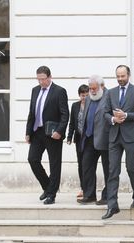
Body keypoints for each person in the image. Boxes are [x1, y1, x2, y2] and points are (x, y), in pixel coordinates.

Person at [102, 65, 134, 219]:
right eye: (118, 76)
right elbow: (105, 112)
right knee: (113, 170)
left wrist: (125, 115)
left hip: (131, 136)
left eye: (122, 76)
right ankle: (112, 205)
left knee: (131, 168)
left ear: (129, 75)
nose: (120, 79)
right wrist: (113, 119)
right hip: (114, 136)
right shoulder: (111, 93)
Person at [25, 66, 69, 205]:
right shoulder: (35, 90)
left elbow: (65, 114)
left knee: (54, 164)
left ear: (50, 77)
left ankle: (51, 194)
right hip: (37, 132)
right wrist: (28, 132)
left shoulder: (59, 91)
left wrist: (60, 131)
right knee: (32, 159)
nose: (41, 82)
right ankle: (48, 186)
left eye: (43, 79)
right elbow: (31, 112)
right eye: (39, 79)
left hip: (52, 133)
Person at [77, 75, 110, 205]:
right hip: (89, 137)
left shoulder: (110, 96)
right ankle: (89, 194)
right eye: (90, 88)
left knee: (108, 169)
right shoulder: (90, 97)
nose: (92, 91)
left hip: (104, 138)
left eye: (94, 88)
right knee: (87, 166)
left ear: (102, 86)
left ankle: (107, 196)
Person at [67, 84, 89, 198]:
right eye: (82, 95)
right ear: (79, 95)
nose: (84, 97)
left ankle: (89, 189)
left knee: (88, 164)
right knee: (80, 164)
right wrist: (69, 137)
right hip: (79, 138)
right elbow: (72, 123)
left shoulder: (92, 105)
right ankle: (82, 188)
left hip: (89, 139)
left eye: (86, 95)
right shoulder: (75, 106)